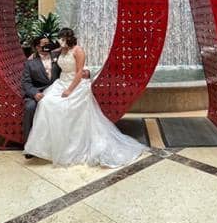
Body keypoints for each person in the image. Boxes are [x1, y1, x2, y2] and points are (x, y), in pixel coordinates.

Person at [24, 28, 146, 167]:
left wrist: (70, 90)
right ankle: (46, 146)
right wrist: (34, 55)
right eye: (59, 38)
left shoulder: (78, 50)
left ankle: (70, 146)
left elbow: (80, 72)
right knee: (46, 103)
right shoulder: (61, 50)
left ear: (68, 38)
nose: (60, 41)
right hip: (61, 83)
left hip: (75, 84)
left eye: (62, 38)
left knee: (64, 106)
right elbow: (48, 52)